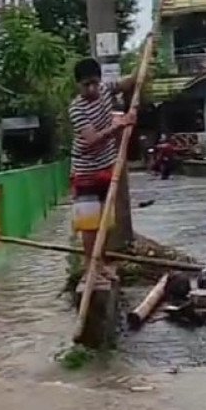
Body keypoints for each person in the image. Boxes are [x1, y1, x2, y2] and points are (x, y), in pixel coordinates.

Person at [68, 57, 136, 282]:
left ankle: (102, 263)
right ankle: (90, 267)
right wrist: (117, 126)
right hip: (85, 171)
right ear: (79, 85)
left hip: (106, 167)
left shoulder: (106, 90)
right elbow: (91, 140)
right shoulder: (77, 108)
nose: (92, 89)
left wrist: (143, 65)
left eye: (95, 83)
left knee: (105, 221)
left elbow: (127, 82)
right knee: (90, 223)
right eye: (86, 85)